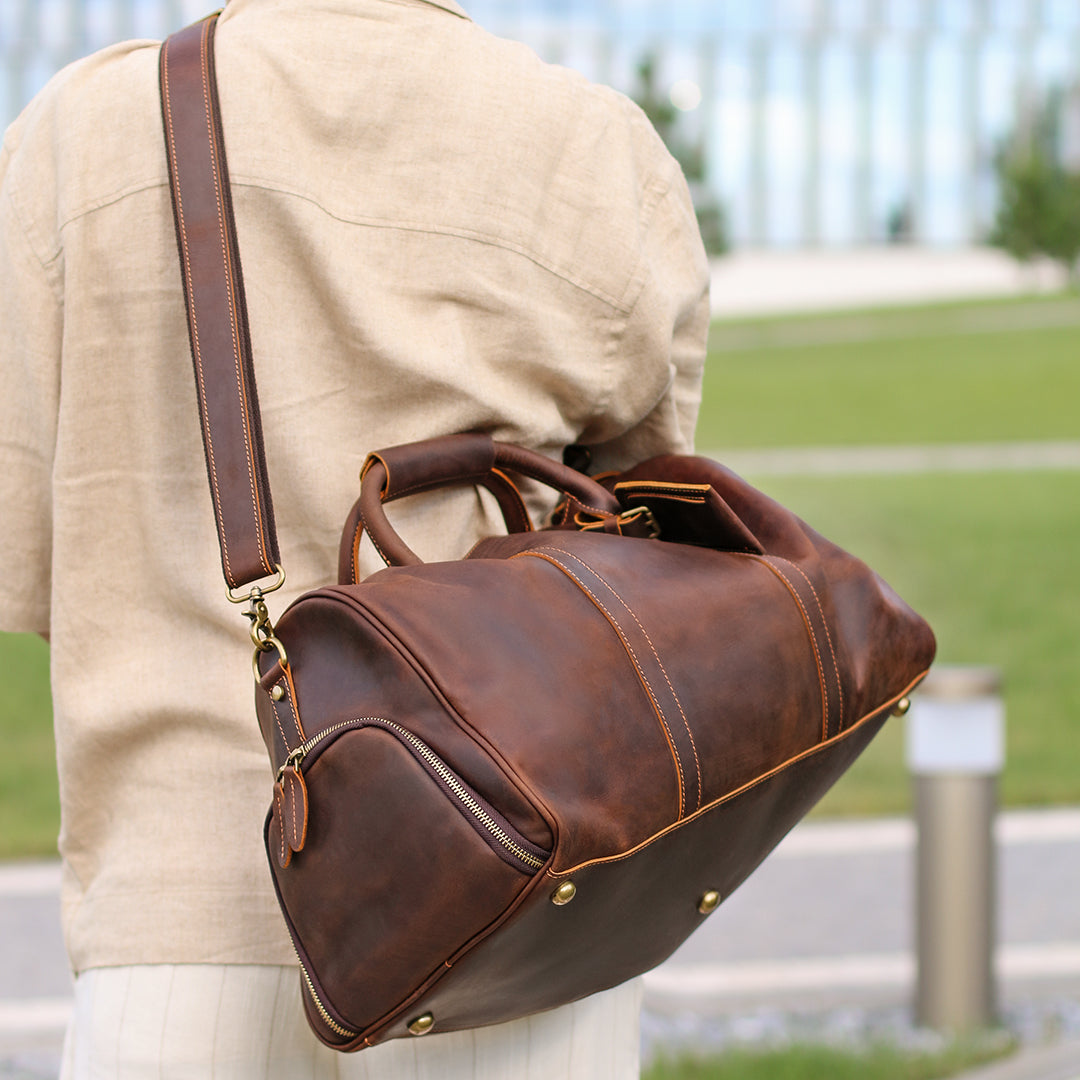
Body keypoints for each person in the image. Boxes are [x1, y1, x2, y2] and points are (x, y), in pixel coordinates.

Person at [0, 0, 709, 1075]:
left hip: (182, 917)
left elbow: (36, 569)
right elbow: (632, 545)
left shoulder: (79, 135)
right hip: (507, 899)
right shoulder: (592, 148)